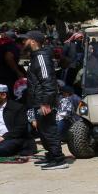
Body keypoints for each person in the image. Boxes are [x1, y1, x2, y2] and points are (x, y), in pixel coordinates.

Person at [24, 31, 67, 170]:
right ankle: (51, 155)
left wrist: (46, 102)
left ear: (33, 41)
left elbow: (48, 81)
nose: (23, 43)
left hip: (44, 101)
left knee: (49, 130)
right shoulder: (35, 57)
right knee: (42, 130)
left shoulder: (41, 57)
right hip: (38, 100)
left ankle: (58, 159)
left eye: (26, 40)